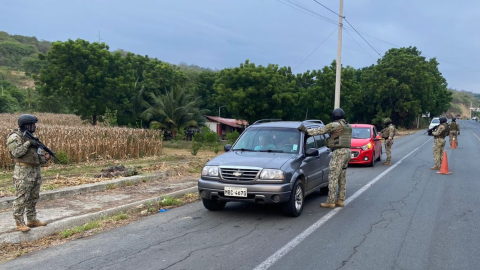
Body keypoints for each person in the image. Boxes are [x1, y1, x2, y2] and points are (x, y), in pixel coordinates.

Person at [298, 108, 352, 209]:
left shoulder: (334, 125)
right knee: (342, 177)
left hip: (338, 152)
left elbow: (320, 131)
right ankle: (340, 200)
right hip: (347, 152)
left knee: (332, 177)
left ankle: (330, 201)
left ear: (335, 116)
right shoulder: (348, 126)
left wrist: (306, 131)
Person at [6, 114, 50, 232]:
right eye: (32, 124)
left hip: (35, 170)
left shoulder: (32, 137)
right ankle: (19, 222)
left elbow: (37, 154)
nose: (34, 126)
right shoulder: (15, 137)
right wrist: (28, 143)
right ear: (25, 125)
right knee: (21, 198)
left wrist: (45, 157)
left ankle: (32, 219)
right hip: (23, 172)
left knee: (33, 196)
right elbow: (16, 153)